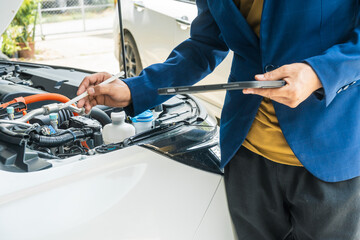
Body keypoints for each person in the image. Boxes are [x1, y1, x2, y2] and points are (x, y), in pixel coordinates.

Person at [77, 0, 360, 239]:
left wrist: (318, 73)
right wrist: (134, 89)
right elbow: (205, 45)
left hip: (331, 154)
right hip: (246, 156)